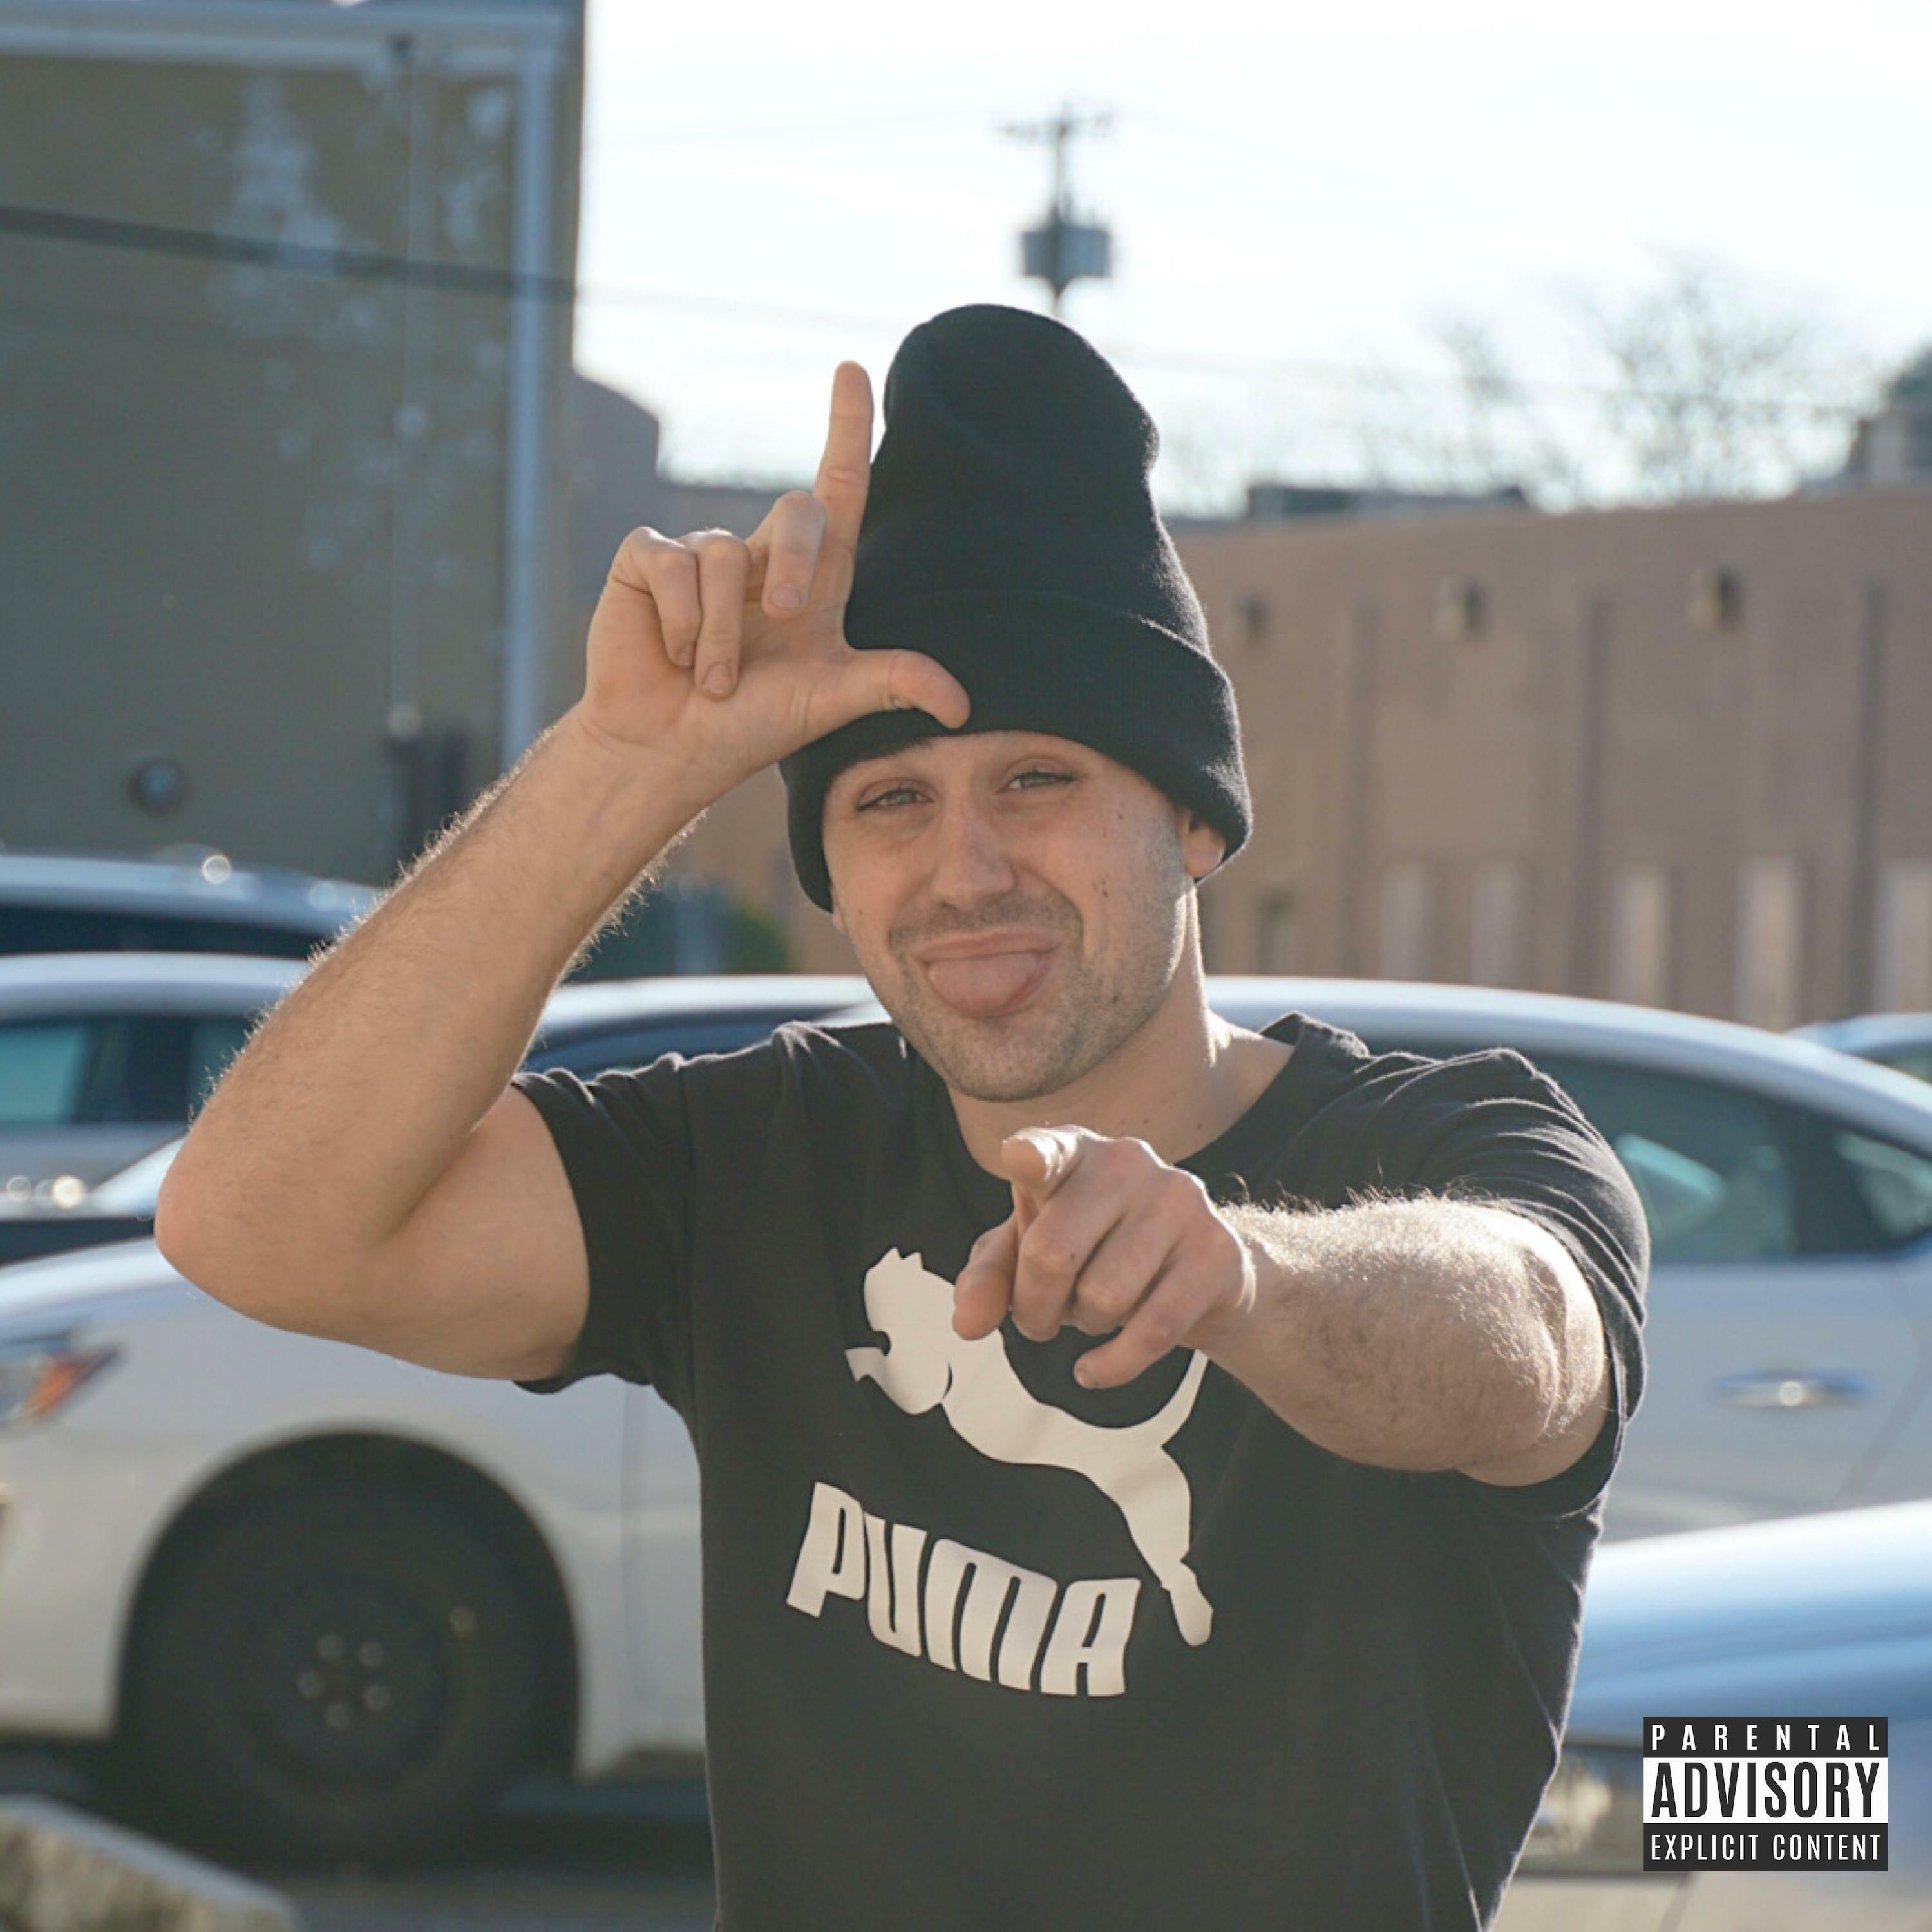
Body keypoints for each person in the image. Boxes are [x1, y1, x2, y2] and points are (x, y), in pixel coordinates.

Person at [156, 303, 1649, 1931]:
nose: (965, 869)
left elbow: (1530, 1340)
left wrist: (1240, 1277)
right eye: (891, 801)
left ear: (1195, 822)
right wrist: (628, 761)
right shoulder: (763, 1160)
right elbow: (255, 1226)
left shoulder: (1457, 1146)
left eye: (1037, 780)